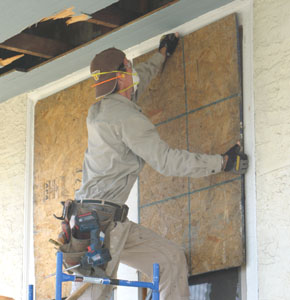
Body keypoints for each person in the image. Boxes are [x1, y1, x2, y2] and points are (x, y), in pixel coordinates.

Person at [68, 33, 248, 300]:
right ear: (120, 77)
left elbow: (138, 82)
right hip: (100, 225)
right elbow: (167, 161)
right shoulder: (127, 118)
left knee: (170, 260)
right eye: (128, 66)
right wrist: (221, 162)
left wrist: (162, 55)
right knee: (91, 296)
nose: (133, 69)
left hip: (107, 220)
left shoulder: (102, 110)